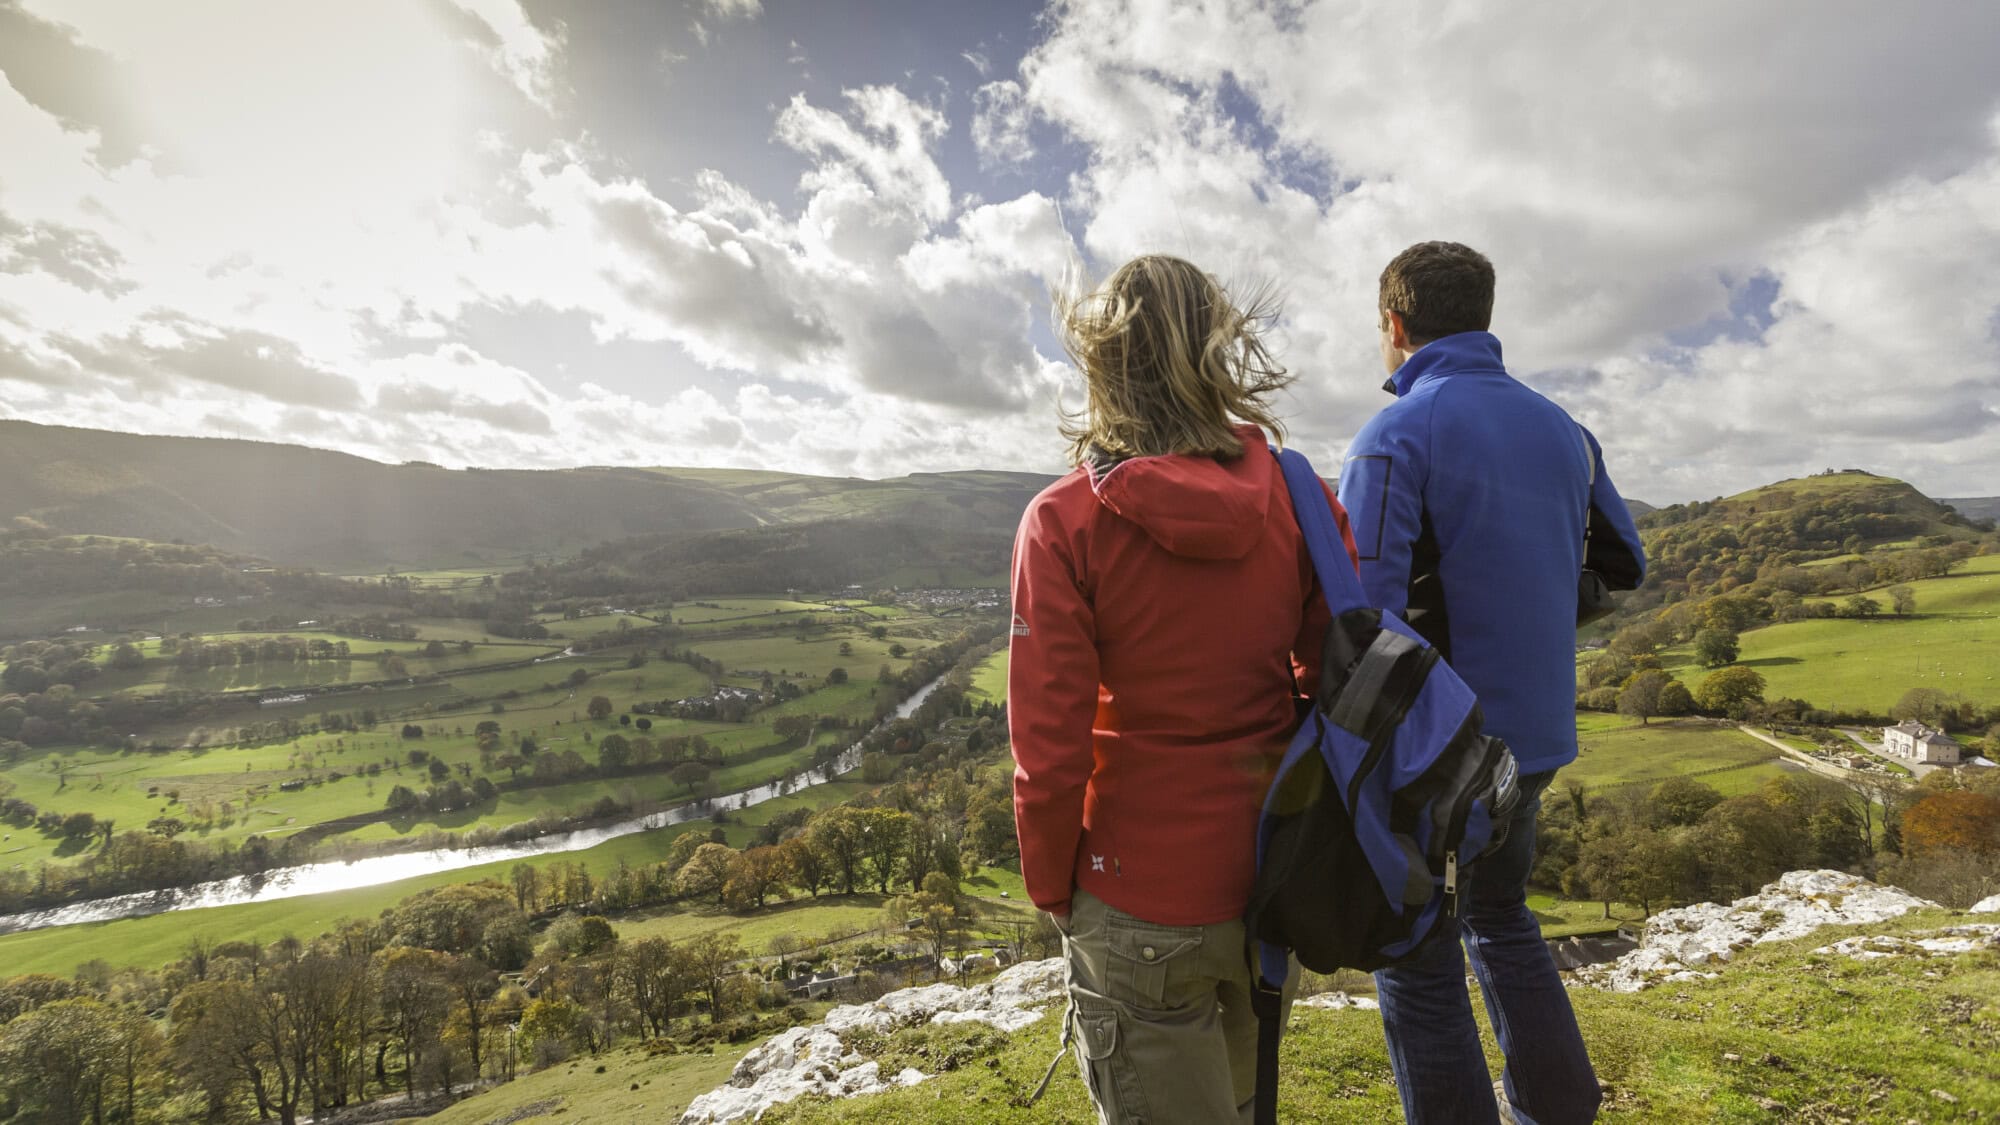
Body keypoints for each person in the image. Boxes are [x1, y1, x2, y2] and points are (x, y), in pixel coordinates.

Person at [1009, 254, 1358, 1124]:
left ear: (1104, 361)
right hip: (1271, 879)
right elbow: (1337, 683)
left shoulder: (1061, 522)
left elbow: (1050, 751)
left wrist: (1054, 886)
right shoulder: (1302, 496)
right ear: (1218, 352)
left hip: (1131, 891)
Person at [1336, 241, 1646, 1124]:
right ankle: (1555, 1110)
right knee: (1502, 914)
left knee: (1412, 941)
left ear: (1393, 324)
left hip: (1433, 737)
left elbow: (1363, 615)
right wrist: (1546, 609)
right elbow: (1624, 565)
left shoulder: (1394, 435)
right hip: (1537, 733)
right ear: (1484, 315)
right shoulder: (1563, 429)